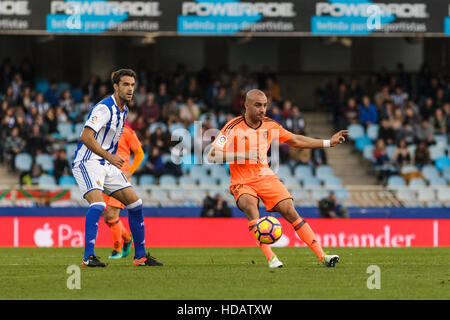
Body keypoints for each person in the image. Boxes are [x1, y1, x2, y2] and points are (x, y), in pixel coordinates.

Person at [207, 89, 348, 268]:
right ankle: (271, 258)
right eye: (258, 105)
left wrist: (328, 142)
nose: (262, 109)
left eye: (265, 105)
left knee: (290, 210)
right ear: (246, 105)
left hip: (266, 178)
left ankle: (323, 256)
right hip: (242, 181)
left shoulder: (271, 125)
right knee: (251, 207)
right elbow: (212, 155)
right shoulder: (232, 126)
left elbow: (295, 139)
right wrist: (243, 154)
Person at [71, 69, 163, 268]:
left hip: (107, 164)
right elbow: (86, 137)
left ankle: (140, 257)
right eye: (125, 85)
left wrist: (109, 159)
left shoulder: (124, 111)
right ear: (116, 86)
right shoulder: (104, 108)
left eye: (132, 85)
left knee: (135, 204)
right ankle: (88, 257)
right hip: (88, 161)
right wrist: (109, 156)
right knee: (98, 205)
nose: (130, 89)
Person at [102, 124, 144, 259]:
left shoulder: (127, 132)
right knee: (107, 217)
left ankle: (117, 249)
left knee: (111, 214)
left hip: (120, 179)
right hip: (104, 178)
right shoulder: (102, 131)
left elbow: (140, 153)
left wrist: (130, 172)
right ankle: (126, 238)